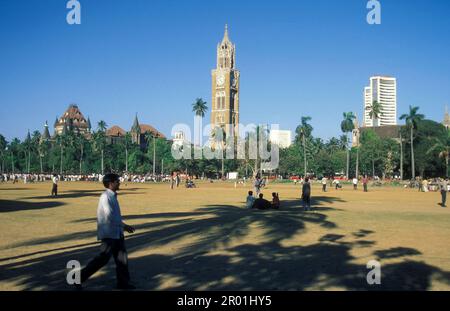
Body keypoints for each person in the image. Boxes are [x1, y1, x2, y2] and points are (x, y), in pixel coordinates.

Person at [78, 173, 136, 290]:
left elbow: (115, 216)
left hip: (117, 233)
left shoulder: (113, 196)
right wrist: (124, 226)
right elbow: (110, 216)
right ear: (110, 183)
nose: (119, 182)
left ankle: (123, 283)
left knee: (122, 259)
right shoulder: (105, 196)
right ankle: (77, 278)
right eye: (117, 181)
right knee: (102, 259)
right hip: (109, 234)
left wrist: (122, 227)